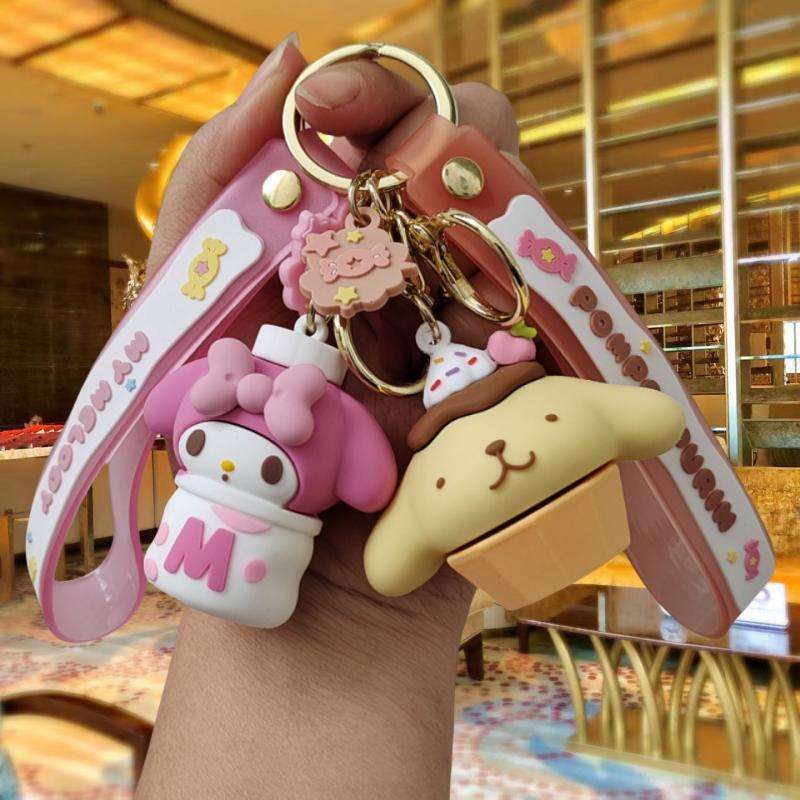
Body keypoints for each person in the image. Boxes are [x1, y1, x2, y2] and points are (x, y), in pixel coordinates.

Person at [136, 33, 528, 799]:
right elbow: (162, 403)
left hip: (287, 564)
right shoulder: (266, 384)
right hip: (240, 550)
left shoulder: (327, 413)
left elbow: (372, 483)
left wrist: (368, 621)